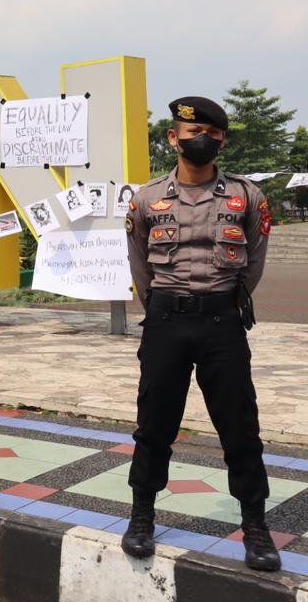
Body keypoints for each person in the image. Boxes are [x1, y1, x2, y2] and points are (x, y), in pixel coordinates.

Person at [122, 96, 278, 571]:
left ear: (222, 140)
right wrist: (166, 307)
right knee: (154, 425)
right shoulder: (147, 200)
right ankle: (142, 515)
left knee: (240, 428)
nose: (201, 141)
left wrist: (221, 302)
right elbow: (139, 266)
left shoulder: (248, 197)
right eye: (192, 135)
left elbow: (253, 263)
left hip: (222, 324)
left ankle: (255, 525)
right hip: (166, 322)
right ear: (173, 138)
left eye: (211, 134)